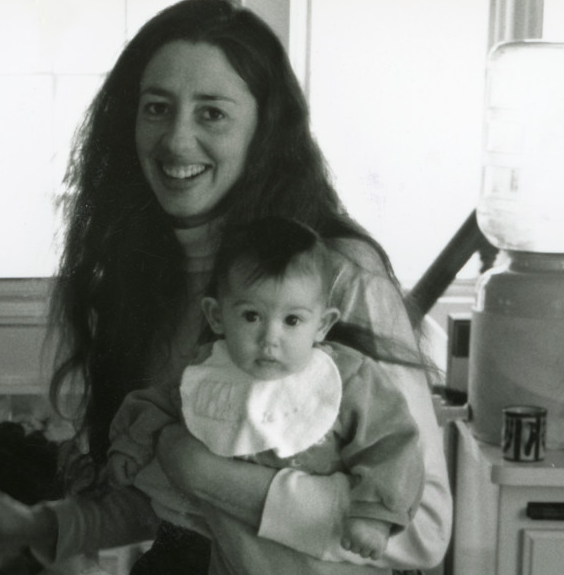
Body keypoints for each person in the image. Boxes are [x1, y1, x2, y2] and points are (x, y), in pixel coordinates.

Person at [0, 0, 452, 575]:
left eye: (212, 113)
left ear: (264, 131)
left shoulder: (340, 271)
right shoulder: (142, 279)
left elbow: (424, 530)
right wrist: (37, 525)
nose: (176, 141)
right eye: (157, 109)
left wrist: (203, 472)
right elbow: (167, 501)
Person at [108, 216, 425, 571]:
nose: (270, 339)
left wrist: (375, 516)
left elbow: (393, 443)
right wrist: (130, 445)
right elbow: (157, 405)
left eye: (292, 320)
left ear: (322, 324)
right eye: (251, 316)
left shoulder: (349, 379)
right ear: (216, 316)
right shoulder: (209, 372)